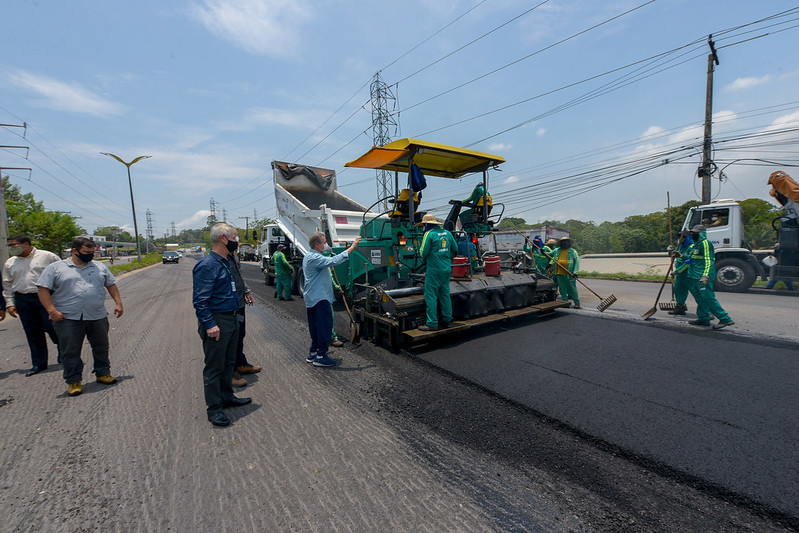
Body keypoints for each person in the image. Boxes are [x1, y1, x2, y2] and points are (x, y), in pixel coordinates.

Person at [36, 237, 123, 397]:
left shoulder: (99, 267)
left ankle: (103, 373)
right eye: (86, 252)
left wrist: (118, 303)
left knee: (101, 346)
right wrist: (51, 310)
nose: (90, 255)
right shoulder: (55, 268)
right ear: (74, 251)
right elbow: (43, 290)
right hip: (68, 317)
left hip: (96, 315)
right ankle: (73, 380)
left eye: (92, 252)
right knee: (70, 350)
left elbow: (111, 284)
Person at [192, 223, 252, 427]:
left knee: (228, 363)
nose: (238, 241)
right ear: (223, 239)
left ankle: (227, 397)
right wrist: (210, 324)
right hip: (218, 320)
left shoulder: (227, 261)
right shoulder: (207, 265)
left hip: (232, 318)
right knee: (214, 367)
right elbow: (200, 300)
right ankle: (214, 409)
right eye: (235, 237)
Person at [3, 235, 61, 376]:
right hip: (23, 299)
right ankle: (39, 364)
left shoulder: (47, 256)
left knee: (51, 326)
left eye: (14, 245)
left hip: (45, 296)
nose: (11, 248)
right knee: (32, 331)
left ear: (26, 244)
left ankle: (63, 349)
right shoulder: (10, 263)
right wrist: (10, 303)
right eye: (9, 246)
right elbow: (7, 284)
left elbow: (61, 274)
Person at [302, 232, 361, 367]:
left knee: (316, 327)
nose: (326, 245)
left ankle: (313, 352)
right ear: (317, 245)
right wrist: (353, 246)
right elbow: (334, 261)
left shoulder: (310, 256)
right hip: (319, 299)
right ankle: (321, 356)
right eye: (324, 242)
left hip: (313, 298)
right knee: (325, 327)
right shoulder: (314, 258)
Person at [685, 225, 734, 330]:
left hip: (702, 276)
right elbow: (692, 258)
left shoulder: (705, 244)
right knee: (700, 298)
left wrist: (705, 275)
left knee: (708, 298)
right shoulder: (695, 245)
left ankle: (725, 318)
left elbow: (709, 261)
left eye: (696, 233)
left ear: (702, 233)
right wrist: (680, 256)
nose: (693, 234)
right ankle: (703, 318)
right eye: (693, 233)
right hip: (694, 275)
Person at [418, 213, 458, 331]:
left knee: (431, 295)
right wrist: (446, 258)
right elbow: (455, 250)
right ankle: (447, 320)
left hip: (434, 270)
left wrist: (428, 258)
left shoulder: (429, 234)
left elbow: (423, 253)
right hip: (446, 269)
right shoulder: (448, 233)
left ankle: (432, 323)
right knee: (445, 295)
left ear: (426, 224)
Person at [228, 250, 260, 388]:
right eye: (233, 238)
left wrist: (246, 291)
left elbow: (239, 276)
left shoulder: (233, 255)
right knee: (231, 338)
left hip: (239, 303)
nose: (235, 241)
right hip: (229, 306)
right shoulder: (218, 260)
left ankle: (240, 363)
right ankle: (230, 372)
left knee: (240, 334)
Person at [549, 236, 580, 309]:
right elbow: (552, 256)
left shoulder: (572, 252)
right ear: (561, 243)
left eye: (566, 241)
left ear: (569, 243)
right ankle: (565, 302)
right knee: (562, 289)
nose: (565, 243)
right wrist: (542, 251)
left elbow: (577, 262)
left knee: (572, 289)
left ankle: (577, 303)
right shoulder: (557, 250)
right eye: (563, 242)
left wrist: (575, 272)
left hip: (570, 274)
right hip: (559, 273)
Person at [667, 230, 694, 315]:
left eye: (683, 237)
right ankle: (680, 307)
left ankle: (708, 311)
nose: (681, 239)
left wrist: (677, 271)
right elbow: (674, 255)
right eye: (680, 237)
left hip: (689, 274)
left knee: (697, 293)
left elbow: (689, 263)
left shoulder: (692, 247)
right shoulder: (680, 247)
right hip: (680, 275)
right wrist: (670, 251)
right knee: (678, 291)